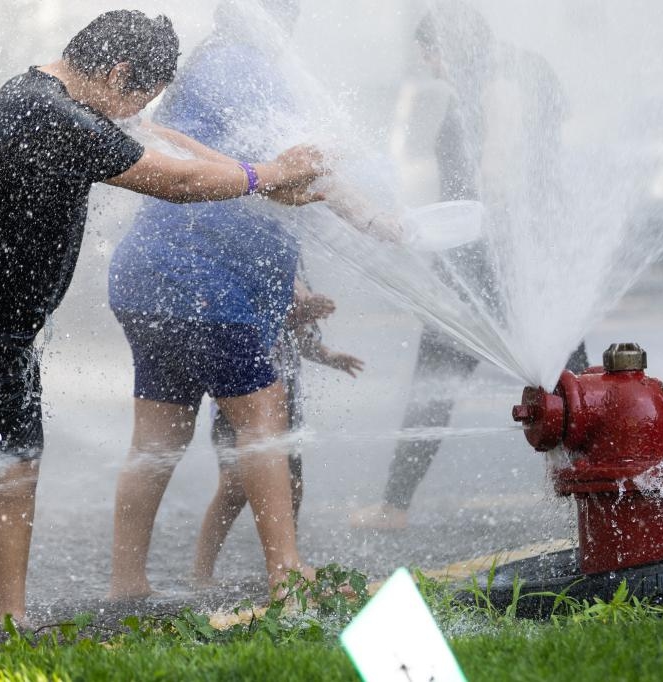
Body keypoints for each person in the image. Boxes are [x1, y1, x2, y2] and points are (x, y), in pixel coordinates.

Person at [0, 9, 325, 639]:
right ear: (118, 71)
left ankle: (8, 622)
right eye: (137, 97)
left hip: (5, 319)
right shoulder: (48, 111)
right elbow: (176, 180)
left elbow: (168, 143)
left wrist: (265, 185)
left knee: (14, 469)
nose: (134, 113)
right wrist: (267, 174)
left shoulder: (70, 100)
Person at [105, 0, 390, 600]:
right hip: (202, 280)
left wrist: (294, 286)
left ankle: (127, 582)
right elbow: (292, 165)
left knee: (159, 440)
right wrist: (375, 217)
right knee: (264, 416)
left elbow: (254, 177)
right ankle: (287, 573)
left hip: (150, 275)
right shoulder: (245, 65)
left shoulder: (208, 65)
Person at [350, 2, 588, 531]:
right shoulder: (522, 69)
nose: (432, 67)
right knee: (569, 376)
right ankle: (601, 488)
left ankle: (394, 506)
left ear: (449, 48)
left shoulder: (495, 83)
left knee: (439, 370)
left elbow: (496, 170)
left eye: (431, 55)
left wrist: (469, 229)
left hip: (488, 257)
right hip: (529, 253)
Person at [193, 276, 363, 583]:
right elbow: (255, 318)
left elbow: (296, 336)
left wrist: (329, 356)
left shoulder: (290, 266)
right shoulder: (244, 262)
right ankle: (200, 573)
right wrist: (300, 311)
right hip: (239, 400)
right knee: (233, 487)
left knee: (292, 487)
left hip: (286, 400)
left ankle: (286, 562)